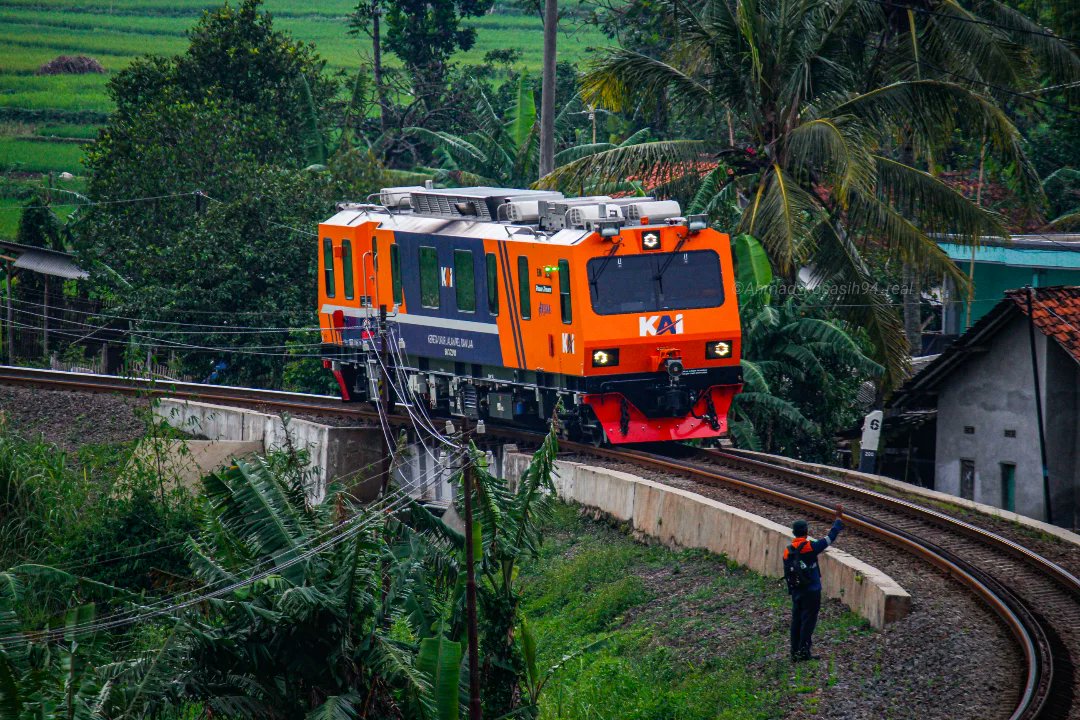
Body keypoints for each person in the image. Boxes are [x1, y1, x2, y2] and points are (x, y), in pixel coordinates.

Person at [785, 504, 844, 662]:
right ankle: (804, 653)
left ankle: (794, 652)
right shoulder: (809, 547)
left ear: (794, 533)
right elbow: (829, 539)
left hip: (796, 590)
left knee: (796, 620)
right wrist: (838, 522)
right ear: (806, 532)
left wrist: (791, 589)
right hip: (811, 591)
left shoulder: (788, 550)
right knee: (808, 621)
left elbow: (786, 572)